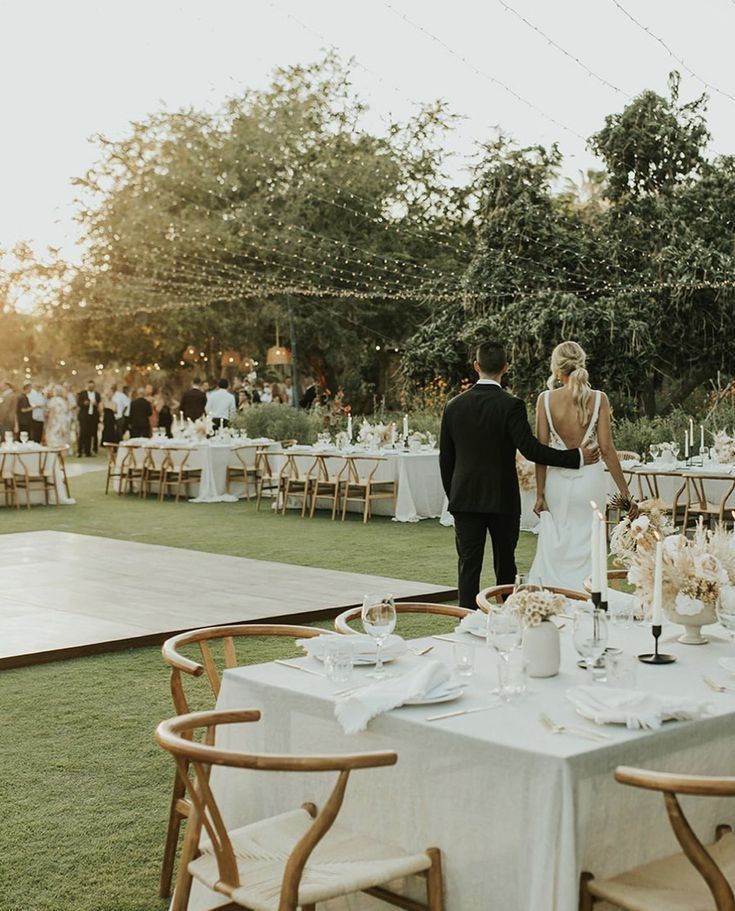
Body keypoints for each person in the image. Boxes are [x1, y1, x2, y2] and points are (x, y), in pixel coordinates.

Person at [439, 340, 600, 609]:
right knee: (505, 564)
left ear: (476, 366)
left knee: (468, 566)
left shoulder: (454, 405)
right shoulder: (510, 404)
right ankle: (507, 619)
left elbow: (446, 460)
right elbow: (531, 450)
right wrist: (577, 457)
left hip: (464, 500)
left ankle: (466, 622)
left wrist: (454, 495)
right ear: (506, 367)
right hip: (502, 499)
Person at [530, 341, 635, 590]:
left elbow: (541, 453)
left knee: (558, 541)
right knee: (591, 540)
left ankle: (555, 592)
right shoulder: (599, 399)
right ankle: (589, 594)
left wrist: (540, 493)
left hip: (556, 482)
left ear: (557, 369)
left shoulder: (545, 400)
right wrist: (626, 495)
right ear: (582, 363)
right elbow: (608, 451)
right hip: (590, 482)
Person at [77, 381, 100, 456]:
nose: (91, 388)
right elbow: (78, 403)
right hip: (84, 416)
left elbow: (98, 403)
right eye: (89, 386)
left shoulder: (97, 394)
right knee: (82, 433)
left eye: (92, 386)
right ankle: (79, 451)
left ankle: (88, 451)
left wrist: (95, 404)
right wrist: (84, 403)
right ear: (87, 386)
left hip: (93, 417)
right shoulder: (82, 393)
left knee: (90, 434)